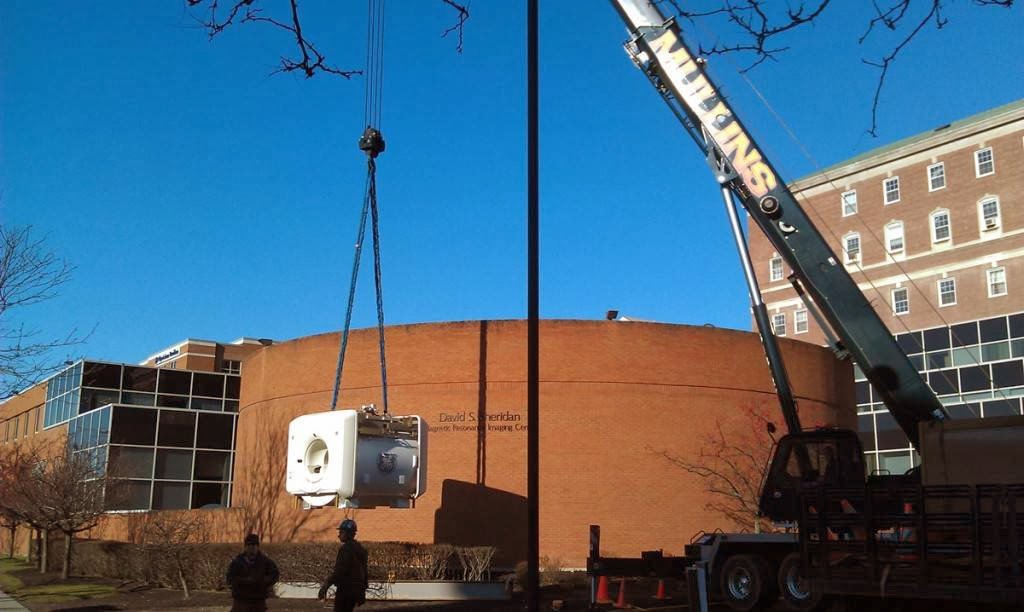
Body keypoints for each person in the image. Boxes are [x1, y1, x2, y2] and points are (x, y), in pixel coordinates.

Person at [318, 519, 369, 612]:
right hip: (355, 591)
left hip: (345, 590)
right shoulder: (361, 550)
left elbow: (340, 571)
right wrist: (362, 591)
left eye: (341, 532)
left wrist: (326, 586)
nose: (339, 535)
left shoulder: (345, 550)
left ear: (348, 533)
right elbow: (364, 572)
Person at [226, 533, 280, 612]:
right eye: (249, 545)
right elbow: (230, 579)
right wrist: (245, 581)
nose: (252, 548)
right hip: (241, 601)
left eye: (254, 545)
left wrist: (263, 581)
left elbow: (274, 575)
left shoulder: (265, 562)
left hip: (258, 601)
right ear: (245, 547)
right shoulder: (237, 563)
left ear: (258, 547)